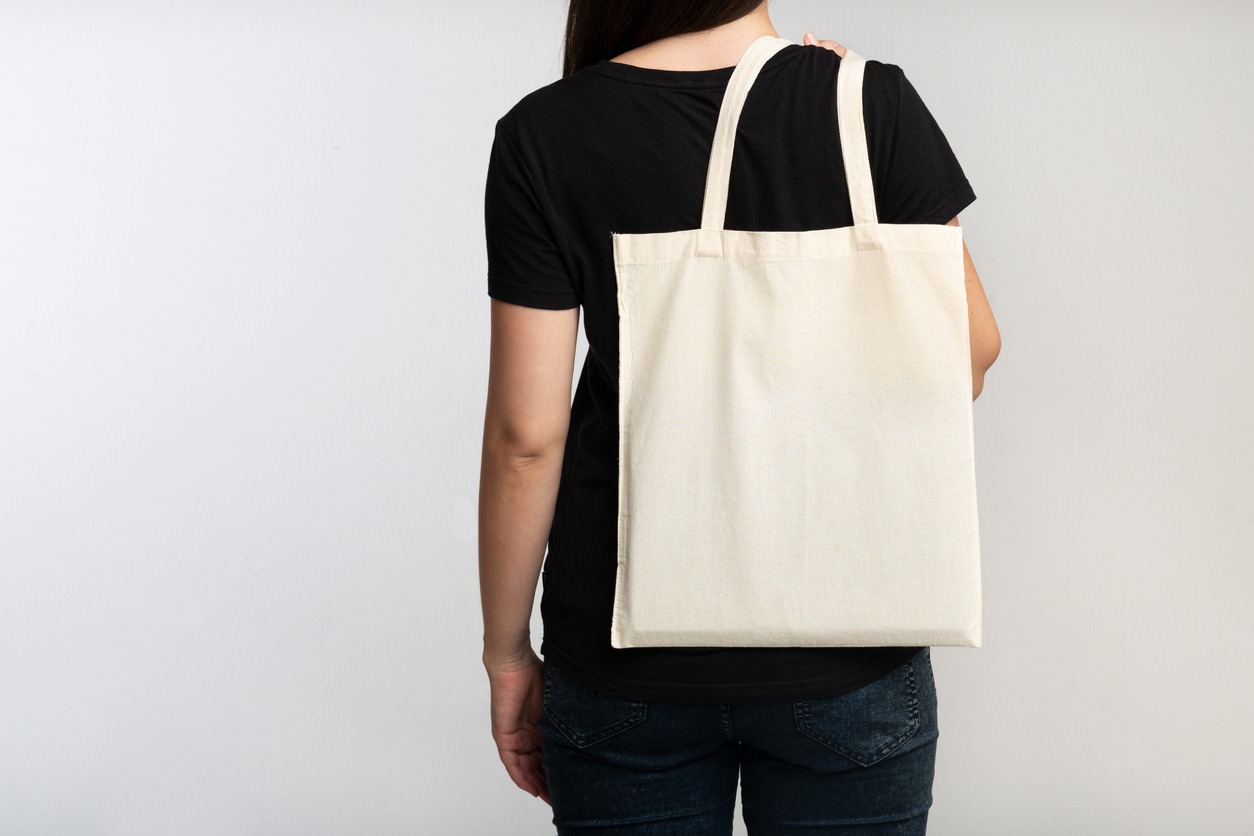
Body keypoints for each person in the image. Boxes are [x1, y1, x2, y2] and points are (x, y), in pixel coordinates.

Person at [479, 0, 1002, 831]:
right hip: (850, 656)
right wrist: (845, 110)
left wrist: (507, 653)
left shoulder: (546, 132)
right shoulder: (868, 103)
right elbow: (968, 355)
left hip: (619, 664)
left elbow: (526, 442)